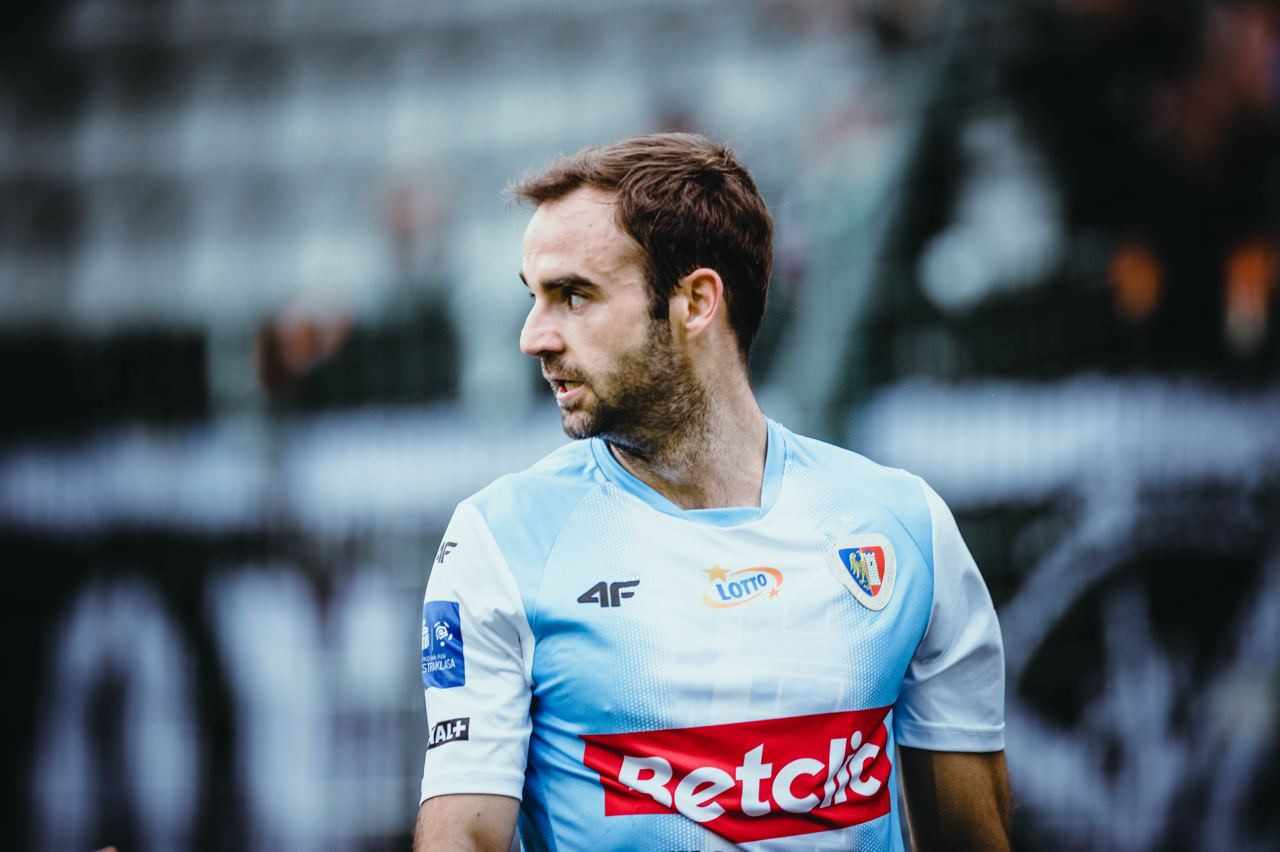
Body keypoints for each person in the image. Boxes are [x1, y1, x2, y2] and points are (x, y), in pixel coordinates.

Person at [414, 133, 1010, 851]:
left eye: (574, 296)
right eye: (534, 297)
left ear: (696, 301)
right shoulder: (502, 541)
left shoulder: (905, 528)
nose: (533, 337)